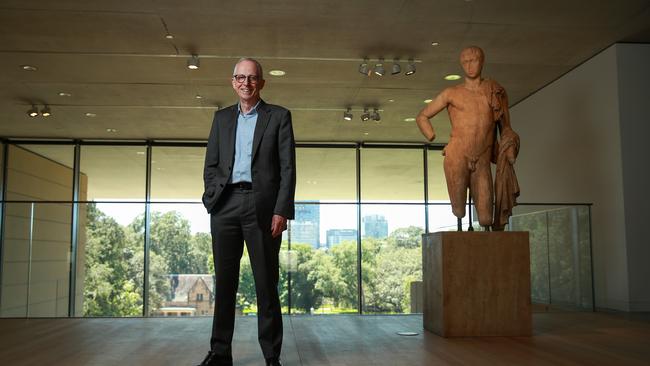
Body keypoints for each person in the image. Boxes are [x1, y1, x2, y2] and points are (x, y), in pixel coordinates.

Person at [199, 57, 296, 366]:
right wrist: (212, 197)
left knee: (266, 283)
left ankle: (271, 356)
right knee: (224, 282)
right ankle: (220, 352)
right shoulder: (221, 118)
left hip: (263, 207)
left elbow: (287, 168)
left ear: (261, 83)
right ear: (233, 82)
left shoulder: (279, 117)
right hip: (225, 205)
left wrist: (281, 210)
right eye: (240, 77)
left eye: (252, 78)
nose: (246, 82)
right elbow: (211, 164)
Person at [415, 46, 519, 231]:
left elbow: (506, 128)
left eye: (474, 61)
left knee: (486, 218)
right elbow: (422, 116)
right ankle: (461, 227)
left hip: (483, 158)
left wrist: (509, 146)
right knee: (459, 211)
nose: (470, 66)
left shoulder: (494, 91)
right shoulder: (451, 93)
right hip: (457, 154)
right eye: (465, 62)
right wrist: (431, 135)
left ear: (482, 62)